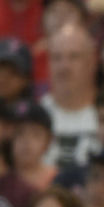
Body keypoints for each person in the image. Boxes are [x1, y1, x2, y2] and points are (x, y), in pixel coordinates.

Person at [41, 23, 100, 170]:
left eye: (74, 57)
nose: (64, 66)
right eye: (56, 58)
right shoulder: (37, 114)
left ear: (91, 62)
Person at [11, 99, 55, 192]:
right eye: (19, 133)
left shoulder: (58, 180)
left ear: (49, 141)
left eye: (36, 134)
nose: (26, 141)